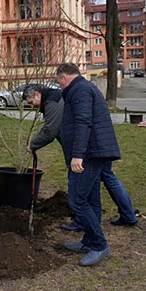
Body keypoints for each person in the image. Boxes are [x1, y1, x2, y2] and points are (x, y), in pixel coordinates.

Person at [23, 84, 137, 232]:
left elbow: (50, 130)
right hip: (96, 144)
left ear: (37, 94)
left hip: (84, 148)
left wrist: (33, 145)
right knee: (107, 177)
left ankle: (83, 222)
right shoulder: (57, 97)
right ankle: (126, 216)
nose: (31, 106)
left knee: (82, 184)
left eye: (31, 102)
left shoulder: (53, 101)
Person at [55, 62, 114, 267]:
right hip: (94, 152)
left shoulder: (80, 90)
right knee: (91, 198)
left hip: (88, 155)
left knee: (77, 201)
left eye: (59, 82)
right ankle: (89, 241)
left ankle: (99, 244)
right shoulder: (84, 88)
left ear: (63, 78)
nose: (60, 86)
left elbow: (83, 122)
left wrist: (77, 155)